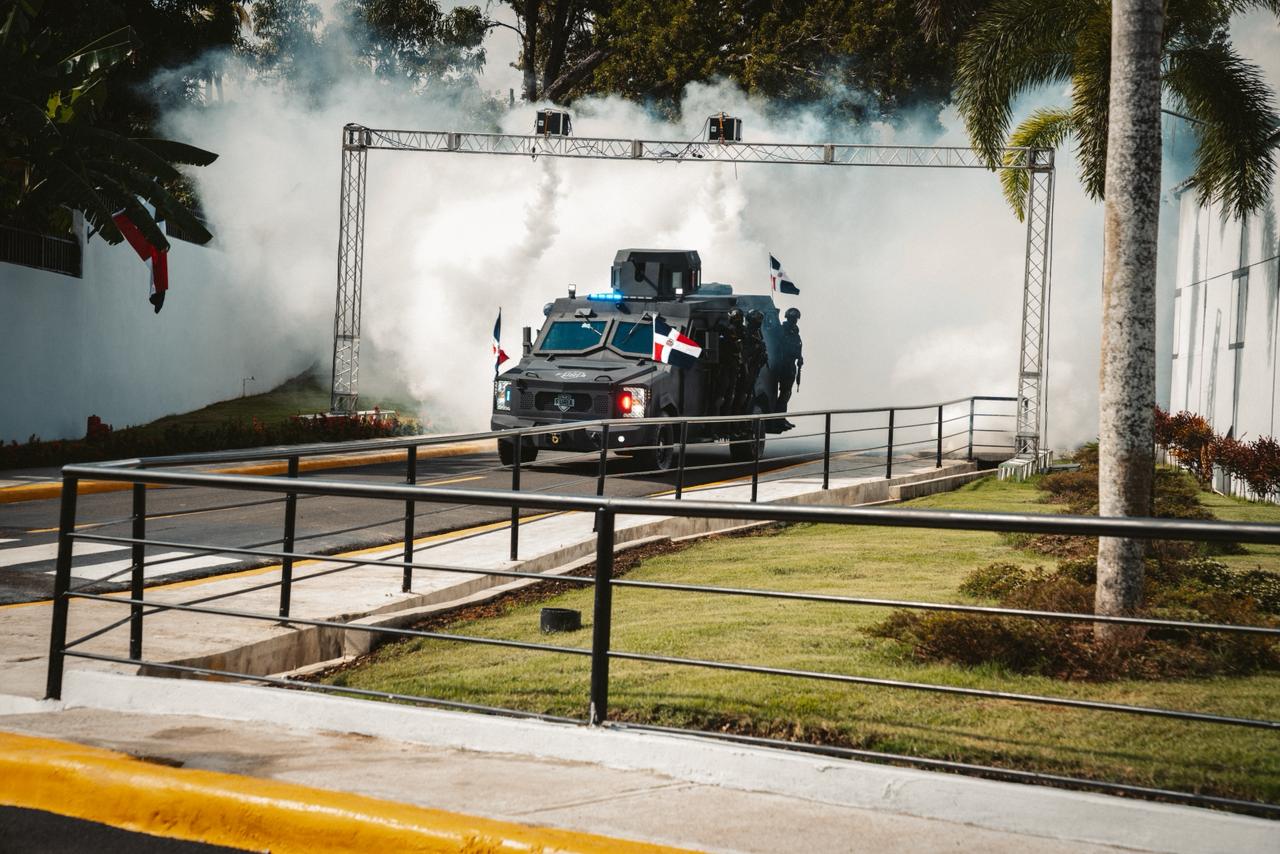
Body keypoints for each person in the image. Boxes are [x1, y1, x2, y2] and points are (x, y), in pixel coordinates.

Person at [714, 309, 745, 417]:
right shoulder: (726, 330)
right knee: (723, 397)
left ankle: (723, 424)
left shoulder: (738, 331)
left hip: (731, 366)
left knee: (728, 397)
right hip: (726, 366)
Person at [737, 309, 767, 414]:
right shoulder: (746, 333)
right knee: (743, 396)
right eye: (756, 321)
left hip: (754, 368)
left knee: (749, 396)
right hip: (746, 369)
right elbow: (744, 352)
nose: (758, 323)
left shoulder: (757, 334)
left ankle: (744, 419)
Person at [774, 307, 803, 412]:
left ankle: (781, 416)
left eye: (795, 319)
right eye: (793, 319)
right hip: (782, 365)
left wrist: (799, 358)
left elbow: (798, 347)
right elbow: (780, 347)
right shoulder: (782, 331)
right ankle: (776, 416)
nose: (795, 321)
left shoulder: (795, 334)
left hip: (790, 366)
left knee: (787, 393)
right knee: (781, 392)